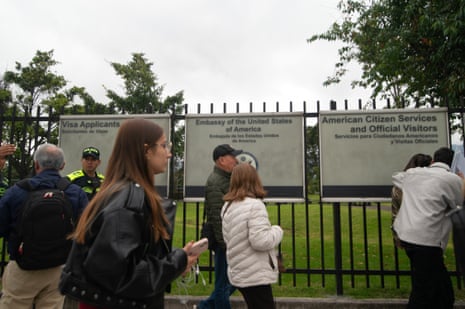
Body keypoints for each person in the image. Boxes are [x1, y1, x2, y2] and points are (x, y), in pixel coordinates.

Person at [59, 118, 199, 309]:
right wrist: (177, 262)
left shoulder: (123, 193)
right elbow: (121, 275)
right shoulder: (126, 202)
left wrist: (177, 259)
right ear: (146, 150)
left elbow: (132, 254)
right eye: (164, 145)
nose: (169, 154)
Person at [0, 143, 88, 309]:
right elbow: (84, 230)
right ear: (62, 166)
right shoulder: (75, 192)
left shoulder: (17, 191)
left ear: (36, 164)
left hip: (22, 266)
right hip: (58, 266)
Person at [393, 147, 464, 308]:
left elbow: (397, 177)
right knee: (426, 292)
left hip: (407, 236)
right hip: (427, 241)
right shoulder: (453, 180)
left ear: (433, 161)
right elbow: (459, 202)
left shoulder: (414, 174)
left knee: (439, 289)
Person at [221, 163, 283, 309]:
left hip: (239, 269)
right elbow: (261, 241)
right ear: (254, 180)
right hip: (256, 273)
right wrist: (277, 230)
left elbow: (227, 238)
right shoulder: (255, 205)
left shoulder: (228, 206)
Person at [198, 144, 242, 309]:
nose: (236, 160)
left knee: (233, 280)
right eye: (232, 157)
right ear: (222, 160)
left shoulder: (227, 178)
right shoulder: (216, 182)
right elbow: (217, 217)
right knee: (224, 284)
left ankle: (204, 307)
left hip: (230, 238)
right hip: (224, 240)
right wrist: (225, 244)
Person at [391, 153, 432, 248]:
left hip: (405, 233)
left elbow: (396, 212)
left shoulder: (399, 185)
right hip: (424, 234)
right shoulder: (424, 186)